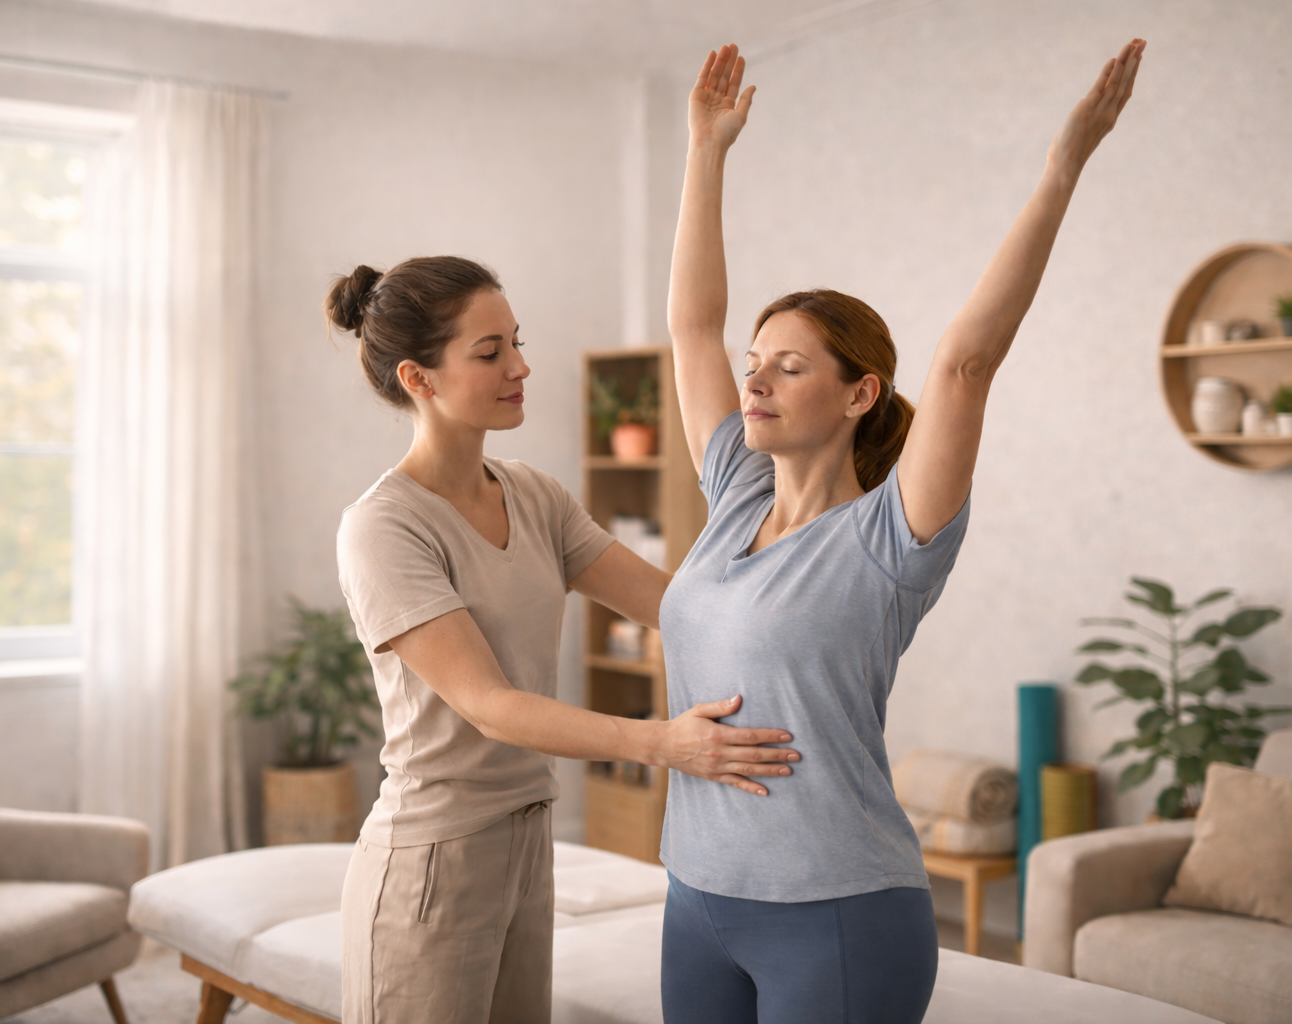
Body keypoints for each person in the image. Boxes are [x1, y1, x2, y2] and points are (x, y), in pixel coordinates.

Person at [658, 39, 1145, 1024]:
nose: (754, 379)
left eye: (789, 366)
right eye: (757, 361)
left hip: (837, 910)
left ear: (858, 393)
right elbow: (692, 327)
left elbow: (966, 360)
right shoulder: (734, 497)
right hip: (697, 901)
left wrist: (1063, 167)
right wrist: (705, 151)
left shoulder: (892, 536)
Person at [325, 256, 801, 1024]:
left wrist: (804, 587)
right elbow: (490, 705)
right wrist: (664, 744)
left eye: (515, 341)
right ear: (419, 379)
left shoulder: (534, 495)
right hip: (432, 858)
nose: (521, 366)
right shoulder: (385, 526)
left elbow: (675, 605)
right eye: (490, 353)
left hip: (527, 838)